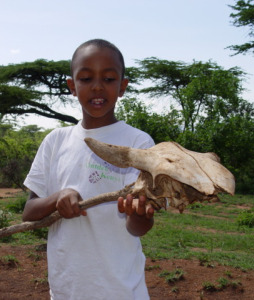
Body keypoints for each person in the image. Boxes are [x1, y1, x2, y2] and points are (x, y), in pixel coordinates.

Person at [22, 39, 156, 300]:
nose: (97, 86)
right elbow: (29, 213)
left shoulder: (138, 144)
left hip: (120, 291)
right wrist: (58, 198)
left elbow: (138, 228)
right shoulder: (55, 141)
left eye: (108, 78)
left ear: (122, 87)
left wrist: (140, 213)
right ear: (72, 86)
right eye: (85, 78)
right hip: (65, 290)